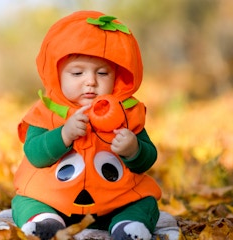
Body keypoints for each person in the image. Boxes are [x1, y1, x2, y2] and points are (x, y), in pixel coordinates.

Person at [12, 10, 162, 240]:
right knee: (24, 199)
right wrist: (63, 135)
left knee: (146, 201)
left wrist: (134, 150)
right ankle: (44, 221)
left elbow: (148, 158)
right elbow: (34, 154)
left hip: (114, 202)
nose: (91, 81)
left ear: (116, 76)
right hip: (54, 200)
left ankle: (127, 224)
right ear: (57, 75)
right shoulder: (47, 113)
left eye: (102, 73)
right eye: (77, 72)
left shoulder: (127, 112)